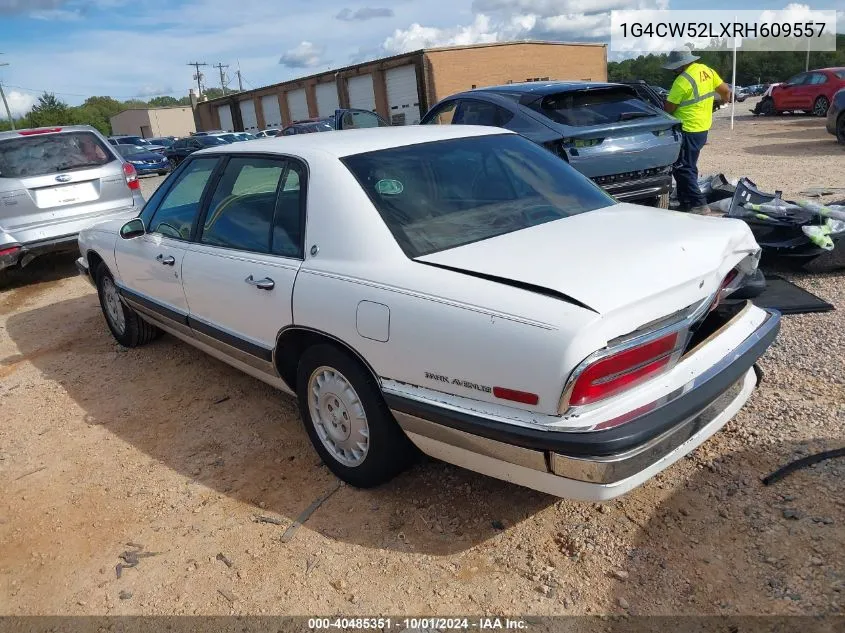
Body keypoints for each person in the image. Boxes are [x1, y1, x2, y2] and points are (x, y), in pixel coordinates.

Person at [663, 47, 732, 214]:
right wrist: (719, 103)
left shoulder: (682, 81)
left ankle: (699, 204)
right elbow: (726, 92)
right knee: (689, 166)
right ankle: (686, 202)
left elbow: (669, 108)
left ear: (680, 65)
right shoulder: (706, 71)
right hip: (702, 128)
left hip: (687, 128)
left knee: (683, 168)